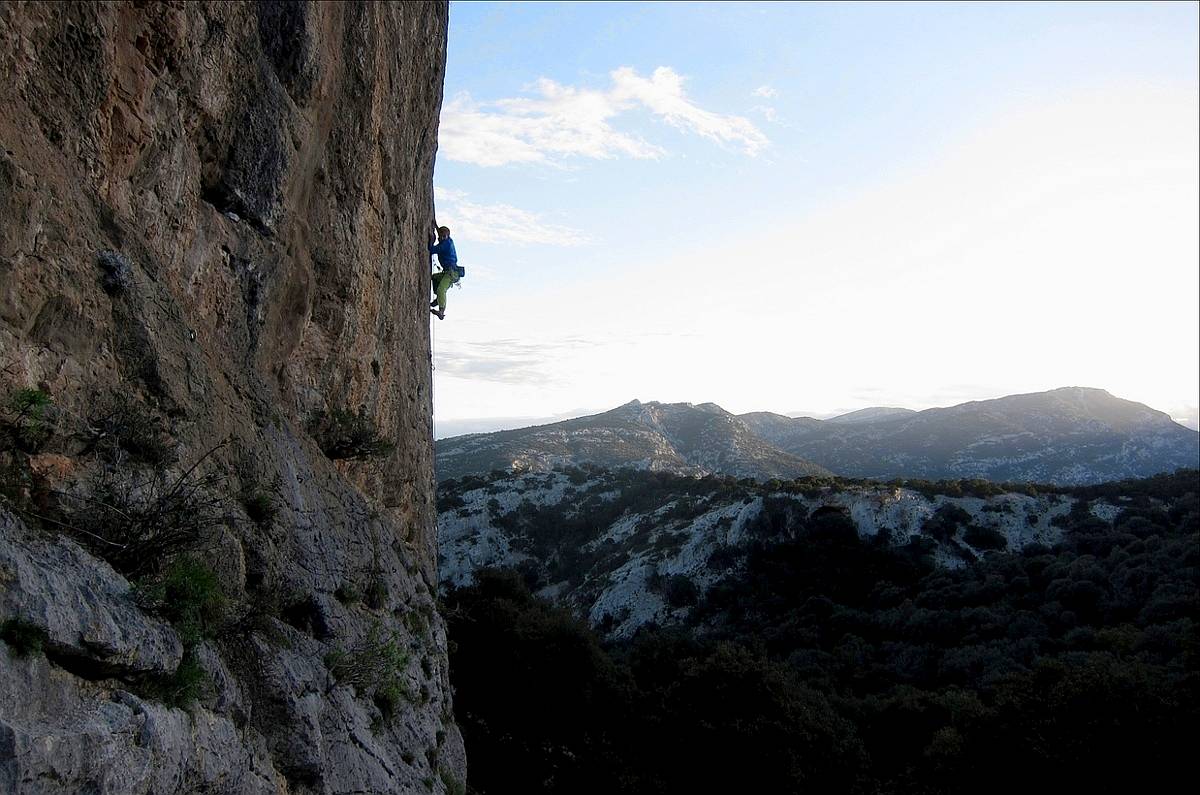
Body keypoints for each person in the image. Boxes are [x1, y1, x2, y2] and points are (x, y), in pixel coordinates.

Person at [428, 223, 463, 320]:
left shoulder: (446, 244)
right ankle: (438, 300)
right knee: (434, 278)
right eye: (441, 236)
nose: (442, 238)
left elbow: (432, 250)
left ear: (447, 236)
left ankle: (441, 311)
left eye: (444, 236)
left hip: (451, 273)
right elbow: (441, 232)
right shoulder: (447, 240)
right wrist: (435, 224)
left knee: (441, 289)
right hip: (447, 272)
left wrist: (432, 240)